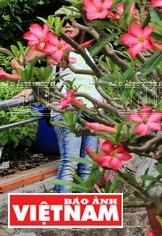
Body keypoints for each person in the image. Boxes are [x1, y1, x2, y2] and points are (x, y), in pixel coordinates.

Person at [13, 12, 100, 193]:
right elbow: (17, 60)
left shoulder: (85, 51)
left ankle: (83, 213)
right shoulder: (50, 48)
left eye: (73, 22)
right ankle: (64, 216)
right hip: (67, 110)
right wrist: (30, 84)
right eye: (64, 22)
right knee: (70, 162)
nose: (68, 25)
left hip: (93, 111)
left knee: (88, 165)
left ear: (82, 26)